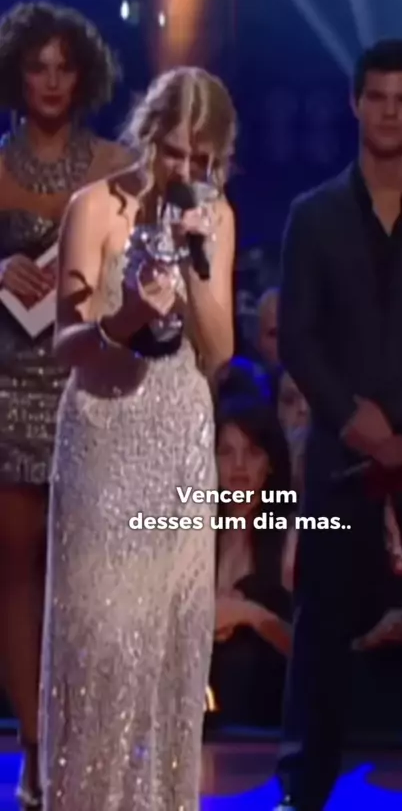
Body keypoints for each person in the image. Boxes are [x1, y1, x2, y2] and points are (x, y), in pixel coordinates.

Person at [276, 40, 402, 811]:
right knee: (321, 616)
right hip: (342, 444)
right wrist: (353, 418)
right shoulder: (312, 215)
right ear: (355, 104)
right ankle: (303, 785)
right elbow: (298, 338)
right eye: (377, 97)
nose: (389, 112)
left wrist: (393, 418)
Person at [39, 66, 237, 811]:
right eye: (172, 151)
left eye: (200, 157)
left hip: (179, 434)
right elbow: (67, 344)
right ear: (147, 135)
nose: (183, 169)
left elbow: (219, 349)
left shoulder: (216, 215)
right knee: (102, 640)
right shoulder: (94, 207)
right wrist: (124, 319)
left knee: (166, 647)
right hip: (103, 435)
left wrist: (195, 260)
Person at [0, 1, 127, 808]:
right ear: (16, 75)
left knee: (83, 577)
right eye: (36, 66)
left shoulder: (117, 164)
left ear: (84, 76)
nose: (50, 81)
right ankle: (35, 752)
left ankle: (82, 738)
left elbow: (145, 271)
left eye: (63, 67)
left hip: (90, 391)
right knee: (17, 575)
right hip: (7, 388)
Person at [211, 396, 295, 726]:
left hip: (265, 718)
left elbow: (314, 657)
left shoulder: (291, 537)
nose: (239, 466)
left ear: (270, 463)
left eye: (252, 452)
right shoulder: (193, 536)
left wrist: (250, 615)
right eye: (226, 452)